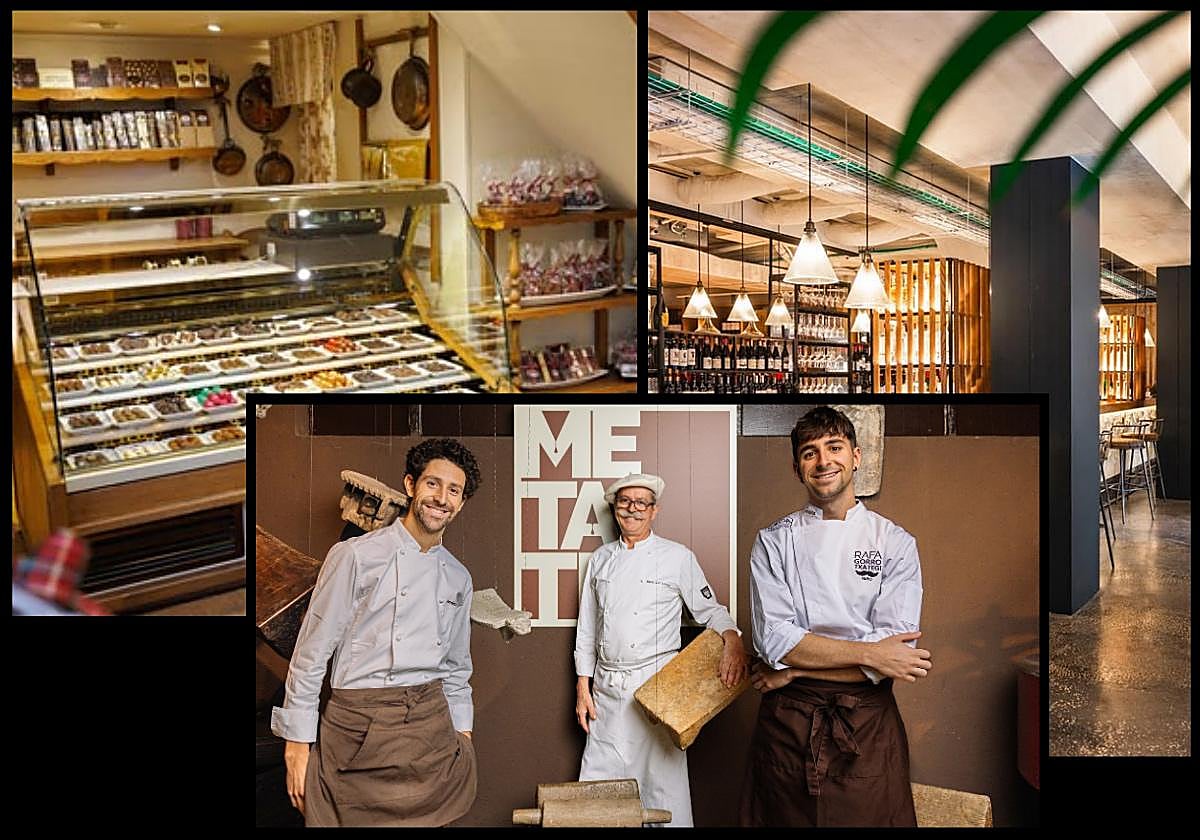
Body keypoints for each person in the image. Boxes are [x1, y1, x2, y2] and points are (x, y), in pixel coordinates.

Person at [271, 438, 481, 827]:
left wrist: (463, 736)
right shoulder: (355, 556)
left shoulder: (458, 577)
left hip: (430, 730)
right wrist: (297, 743)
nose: (442, 498)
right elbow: (311, 652)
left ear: (462, 502)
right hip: (358, 730)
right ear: (410, 484)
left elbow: (455, 668)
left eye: (454, 490)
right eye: (433, 484)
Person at [741, 406, 931, 827]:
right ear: (797, 468)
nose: (824, 461)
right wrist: (870, 654)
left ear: (857, 456)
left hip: (865, 726)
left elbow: (894, 658)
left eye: (834, 447)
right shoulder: (773, 541)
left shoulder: (895, 542)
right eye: (810, 453)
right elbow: (775, 642)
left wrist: (792, 672)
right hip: (789, 729)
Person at [574, 473, 748, 827]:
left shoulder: (677, 557)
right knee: (599, 787)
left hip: (658, 688)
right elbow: (587, 628)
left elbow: (710, 610)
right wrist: (582, 686)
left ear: (654, 511)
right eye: (625, 502)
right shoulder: (600, 560)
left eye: (642, 503)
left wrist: (732, 639)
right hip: (607, 688)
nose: (633, 509)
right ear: (615, 508)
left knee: (663, 789)